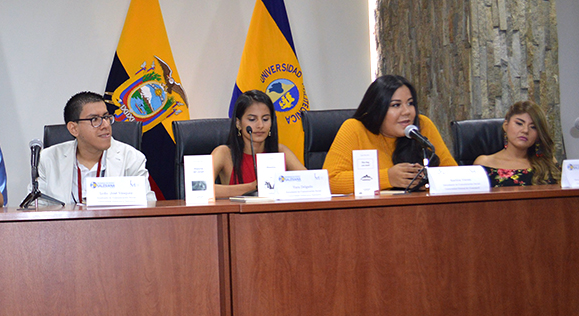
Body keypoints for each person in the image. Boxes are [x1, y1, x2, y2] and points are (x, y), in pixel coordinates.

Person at [323, 75, 457, 194]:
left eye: (410, 103)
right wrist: (388, 178)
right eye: (396, 105)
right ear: (377, 109)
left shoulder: (422, 126)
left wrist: (427, 179)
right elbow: (330, 181)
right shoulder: (355, 129)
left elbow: (455, 176)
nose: (406, 112)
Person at [37, 91, 155, 204]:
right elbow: (36, 207)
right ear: (74, 128)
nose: (105, 125)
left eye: (106, 117)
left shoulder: (132, 159)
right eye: (94, 119)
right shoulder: (48, 159)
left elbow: (147, 206)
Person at [211, 89, 305, 198]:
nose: (260, 125)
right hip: (238, 214)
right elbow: (200, 190)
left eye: (265, 119)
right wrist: (251, 187)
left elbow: (309, 182)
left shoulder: (280, 151)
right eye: (252, 119)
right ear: (238, 123)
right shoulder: (224, 153)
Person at [473, 100, 559, 186]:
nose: (525, 130)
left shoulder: (548, 162)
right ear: (506, 126)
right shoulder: (484, 163)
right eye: (519, 123)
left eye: (533, 127)